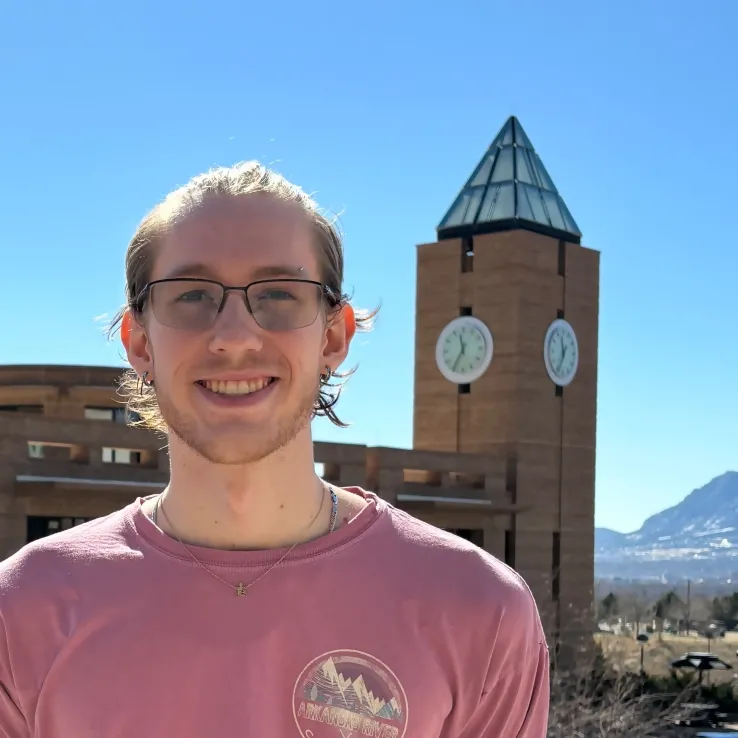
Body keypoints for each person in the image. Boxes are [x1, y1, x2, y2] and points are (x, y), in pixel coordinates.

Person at [0, 162, 549, 737]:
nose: (235, 335)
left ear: (333, 336)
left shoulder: (480, 614)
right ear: (139, 341)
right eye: (191, 296)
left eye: (279, 295)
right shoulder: (25, 613)